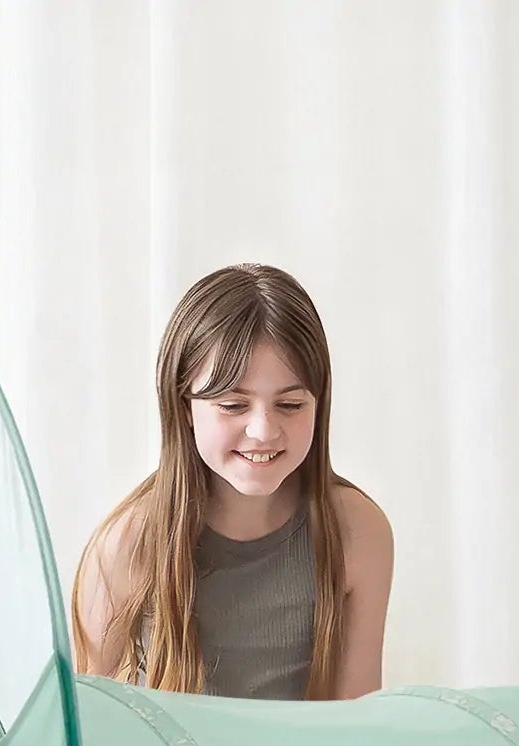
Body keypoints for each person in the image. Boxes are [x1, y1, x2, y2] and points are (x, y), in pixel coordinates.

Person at [72, 263, 393, 700]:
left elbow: (356, 719)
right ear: (184, 406)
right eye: (232, 405)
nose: (263, 430)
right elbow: (83, 718)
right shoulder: (127, 543)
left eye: (291, 405)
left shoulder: (358, 531)